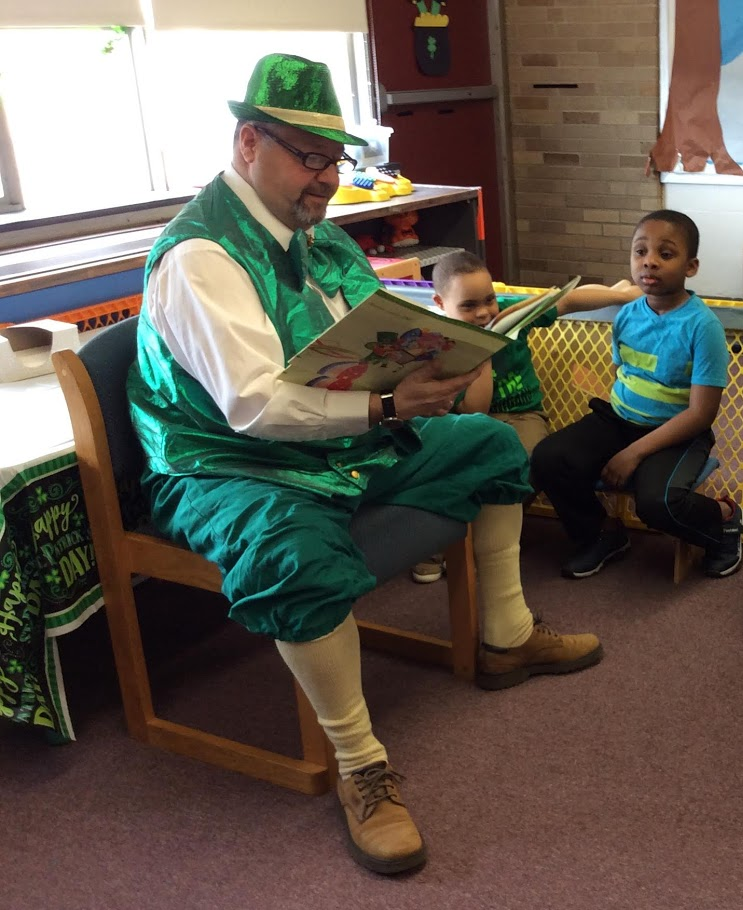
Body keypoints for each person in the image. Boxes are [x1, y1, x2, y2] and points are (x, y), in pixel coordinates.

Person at [126, 53, 603, 877]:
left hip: (340, 436)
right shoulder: (200, 257)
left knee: (489, 443)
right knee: (292, 555)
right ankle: (360, 767)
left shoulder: (314, 234)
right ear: (249, 143)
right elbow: (254, 406)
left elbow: (365, 338)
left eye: (335, 159)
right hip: (222, 465)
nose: (327, 177)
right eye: (310, 157)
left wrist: (426, 368)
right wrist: (387, 406)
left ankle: (507, 637)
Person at [530, 210, 742, 580]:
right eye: (640, 251)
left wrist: (635, 452)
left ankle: (723, 522)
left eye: (666, 253)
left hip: (679, 432)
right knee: (549, 457)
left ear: (690, 266)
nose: (650, 261)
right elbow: (624, 377)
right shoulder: (627, 315)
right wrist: (619, 438)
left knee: (658, 503)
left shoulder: (702, 327)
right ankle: (602, 535)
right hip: (619, 418)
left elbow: (700, 414)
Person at [411, 250, 641, 584]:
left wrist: (622, 294)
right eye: (468, 305)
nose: (484, 312)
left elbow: (567, 300)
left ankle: (484, 543)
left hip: (522, 415)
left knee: (526, 463)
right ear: (441, 303)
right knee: (446, 465)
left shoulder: (508, 314)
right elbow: (474, 410)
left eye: (489, 300)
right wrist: (483, 351)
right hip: (466, 419)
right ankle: (439, 544)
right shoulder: (438, 341)